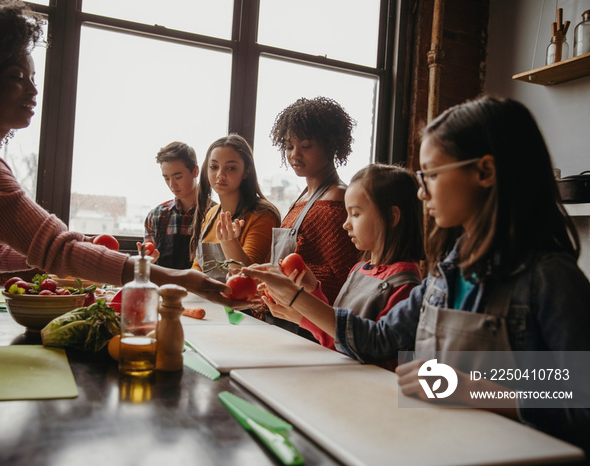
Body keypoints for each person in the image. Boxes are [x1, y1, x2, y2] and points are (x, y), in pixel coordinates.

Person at [244, 96, 590, 454]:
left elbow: (580, 399)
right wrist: (297, 298)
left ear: (485, 172)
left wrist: (472, 389)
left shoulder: (549, 278)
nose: (422, 192)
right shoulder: (446, 274)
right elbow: (377, 339)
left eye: (433, 175)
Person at [0, 0, 239, 337]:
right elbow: (56, 248)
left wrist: (73, 256)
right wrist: (179, 279)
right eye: (16, 76)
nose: (34, 89)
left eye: (32, 76)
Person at [259, 164, 424, 370]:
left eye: (355, 214)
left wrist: (298, 302)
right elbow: (338, 334)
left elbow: (375, 353)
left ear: (392, 217)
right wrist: (313, 291)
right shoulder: (360, 268)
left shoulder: (405, 284)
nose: (346, 224)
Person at [261, 96, 362, 335]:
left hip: (310, 328)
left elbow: (342, 278)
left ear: (331, 145)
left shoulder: (336, 200)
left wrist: (282, 278)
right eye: (289, 146)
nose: (295, 155)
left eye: (306, 146)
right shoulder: (303, 197)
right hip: (287, 319)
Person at [189, 134, 280, 281]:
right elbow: (197, 270)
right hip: (208, 302)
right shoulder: (211, 214)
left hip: (245, 303)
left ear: (246, 171)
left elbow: (250, 277)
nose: (220, 175)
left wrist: (229, 243)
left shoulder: (263, 215)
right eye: (213, 167)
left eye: (231, 168)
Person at [144, 141, 200, 269]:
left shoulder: (214, 214)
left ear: (195, 171)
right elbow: (146, 267)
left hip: (198, 288)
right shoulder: (156, 216)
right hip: (162, 288)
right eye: (166, 178)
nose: (172, 185)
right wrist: (147, 261)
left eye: (178, 177)